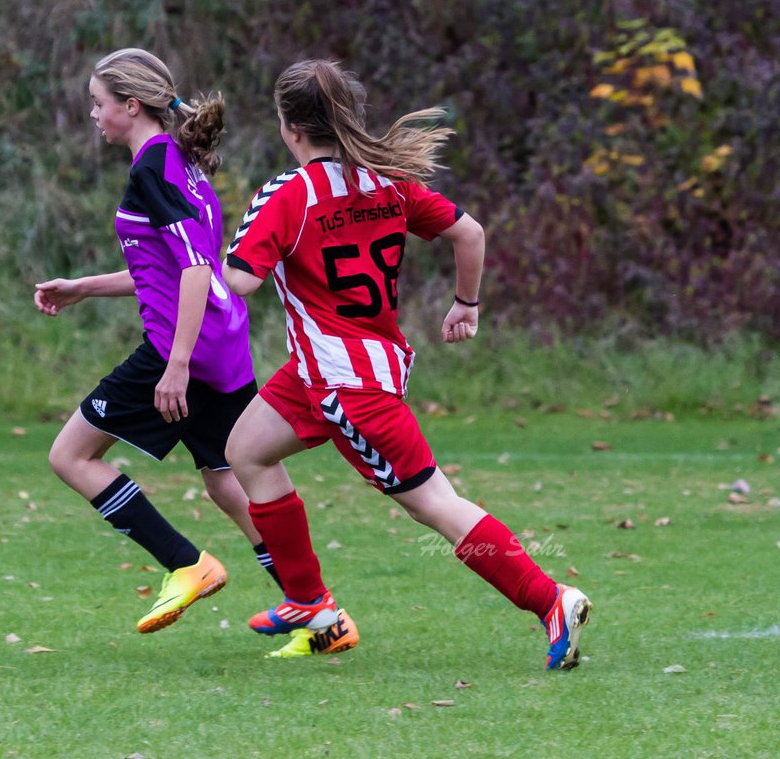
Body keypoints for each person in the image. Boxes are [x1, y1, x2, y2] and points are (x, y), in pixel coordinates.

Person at [222, 58, 592, 669]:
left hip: (346, 385)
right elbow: (469, 234)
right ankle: (309, 602)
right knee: (246, 451)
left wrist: (209, 257)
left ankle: (550, 598)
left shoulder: (289, 194)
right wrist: (465, 306)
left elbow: (239, 282)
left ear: (290, 127)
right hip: (324, 372)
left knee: (435, 504)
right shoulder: (386, 182)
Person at [35, 48, 305, 637]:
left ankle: (189, 565)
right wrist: (84, 287)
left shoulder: (151, 168)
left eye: (98, 104)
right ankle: (315, 606)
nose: (94, 116)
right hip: (223, 345)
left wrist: (175, 365)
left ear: (131, 106)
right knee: (227, 482)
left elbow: (193, 272)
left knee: (71, 456)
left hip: (184, 348)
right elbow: (170, 266)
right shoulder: (180, 161)